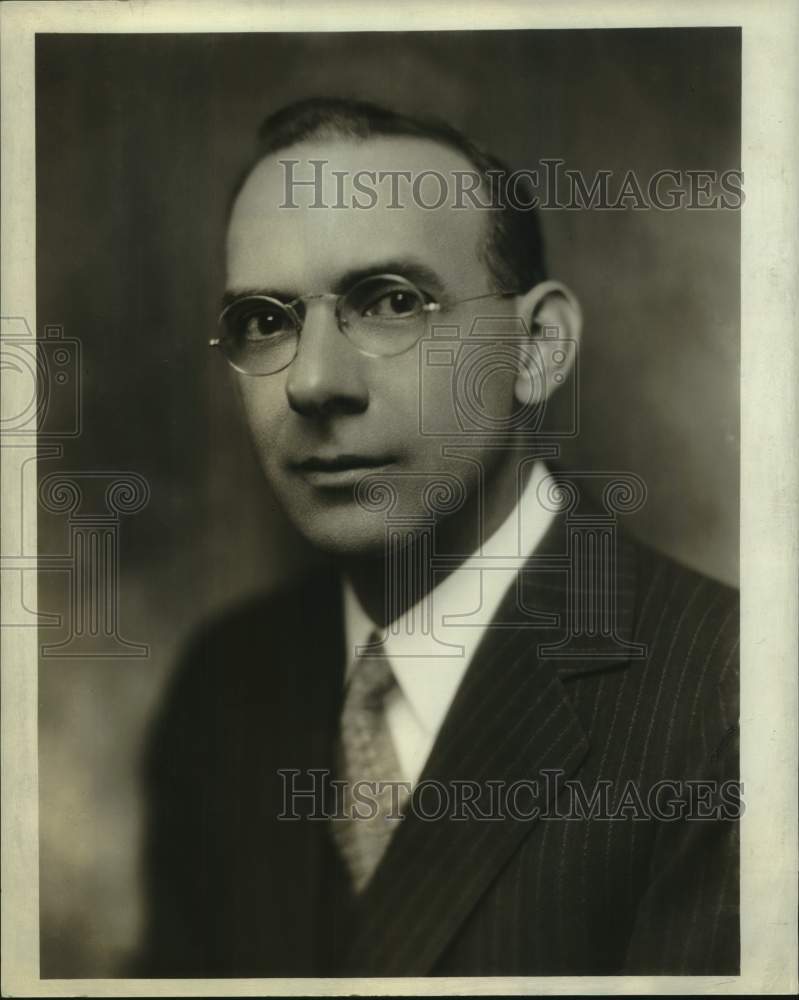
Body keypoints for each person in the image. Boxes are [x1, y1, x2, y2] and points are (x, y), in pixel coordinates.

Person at [137, 98, 739, 977]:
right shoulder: (224, 684)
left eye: (389, 302)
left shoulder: (732, 699)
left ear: (536, 348)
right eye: (265, 320)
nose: (311, 382)